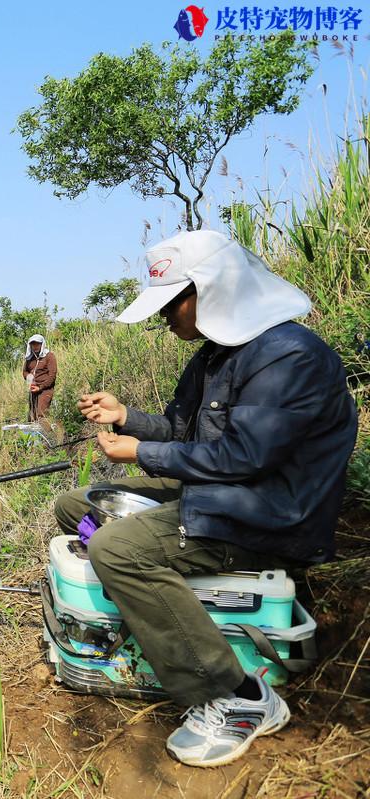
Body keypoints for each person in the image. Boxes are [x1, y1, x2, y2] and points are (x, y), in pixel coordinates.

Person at [53, 230, 357, 768]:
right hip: (222, 492)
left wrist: (142, 453)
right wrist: (127, 419)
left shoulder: (291, 358)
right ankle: (156, 601)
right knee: (78, 505)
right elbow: (182, 430)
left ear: (214, 291)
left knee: (117, 549)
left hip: (268, 515)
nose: (164, 317)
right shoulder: (217, 353)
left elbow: (244, 457)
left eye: (172, 303)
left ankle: (234, 696)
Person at [23, 334, 57, 421]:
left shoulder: (49, 356)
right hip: (33, 389)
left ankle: (48, 434)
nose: (35, 346)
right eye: (33, 344)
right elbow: (24, 372)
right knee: (31, 417)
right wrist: (29, 377)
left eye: (38, 344)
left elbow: (52, 376)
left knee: (41, 415)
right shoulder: (29, 358)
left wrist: (40, 387)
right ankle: (33, 435)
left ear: (42, 344)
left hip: (45, 389)